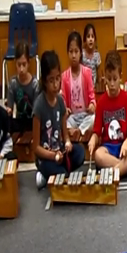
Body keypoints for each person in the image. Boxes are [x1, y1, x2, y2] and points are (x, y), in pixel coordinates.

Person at [33, 51, 85, 189]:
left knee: (80, 153)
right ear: (44, 80)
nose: (56, 85)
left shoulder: (61, 102)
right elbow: (36, 148)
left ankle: (53, 176)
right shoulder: (39, 106)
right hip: (46, 158)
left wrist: (67, 143)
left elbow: (65, 135)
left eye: (57, 79)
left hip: (59, 152)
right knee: (61, 173)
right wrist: (52, 156)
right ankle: (46, 174)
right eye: (51, 80)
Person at [88, 50, 127, 177]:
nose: (112, 84)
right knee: (98, 155)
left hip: (124, 146)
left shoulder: (126, 99)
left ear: (121, 77)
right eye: (109, 79)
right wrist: (93, 139)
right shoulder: (101, 102)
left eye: (115, 79)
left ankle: (113, 171)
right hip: (108, 147)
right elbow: (97, 132)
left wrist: (125, 144)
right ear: (104, 78)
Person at [60, 31, 96, 139]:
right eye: (71, 52)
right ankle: (76, 131)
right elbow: (63, 100)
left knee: (94, 118)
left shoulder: (87, 72)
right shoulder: (65, 76)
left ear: (81, 52)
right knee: (64, 123)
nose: (74, 55)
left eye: (76, 51)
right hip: (73, 117)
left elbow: (92, 96)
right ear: (67, 53)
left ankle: (78, 131)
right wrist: (65, 109)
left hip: (86, 116)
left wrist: (92, 105)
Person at [6, 41, 39, 134]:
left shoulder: (35, 84)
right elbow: (10, 108)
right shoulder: (13, 84)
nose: (21, 69)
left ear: (29, 63)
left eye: (24, 64)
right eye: (19, 64)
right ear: (15, 63)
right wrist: (8, 111)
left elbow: (36, 112)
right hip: (18, 122)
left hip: (32, 122)